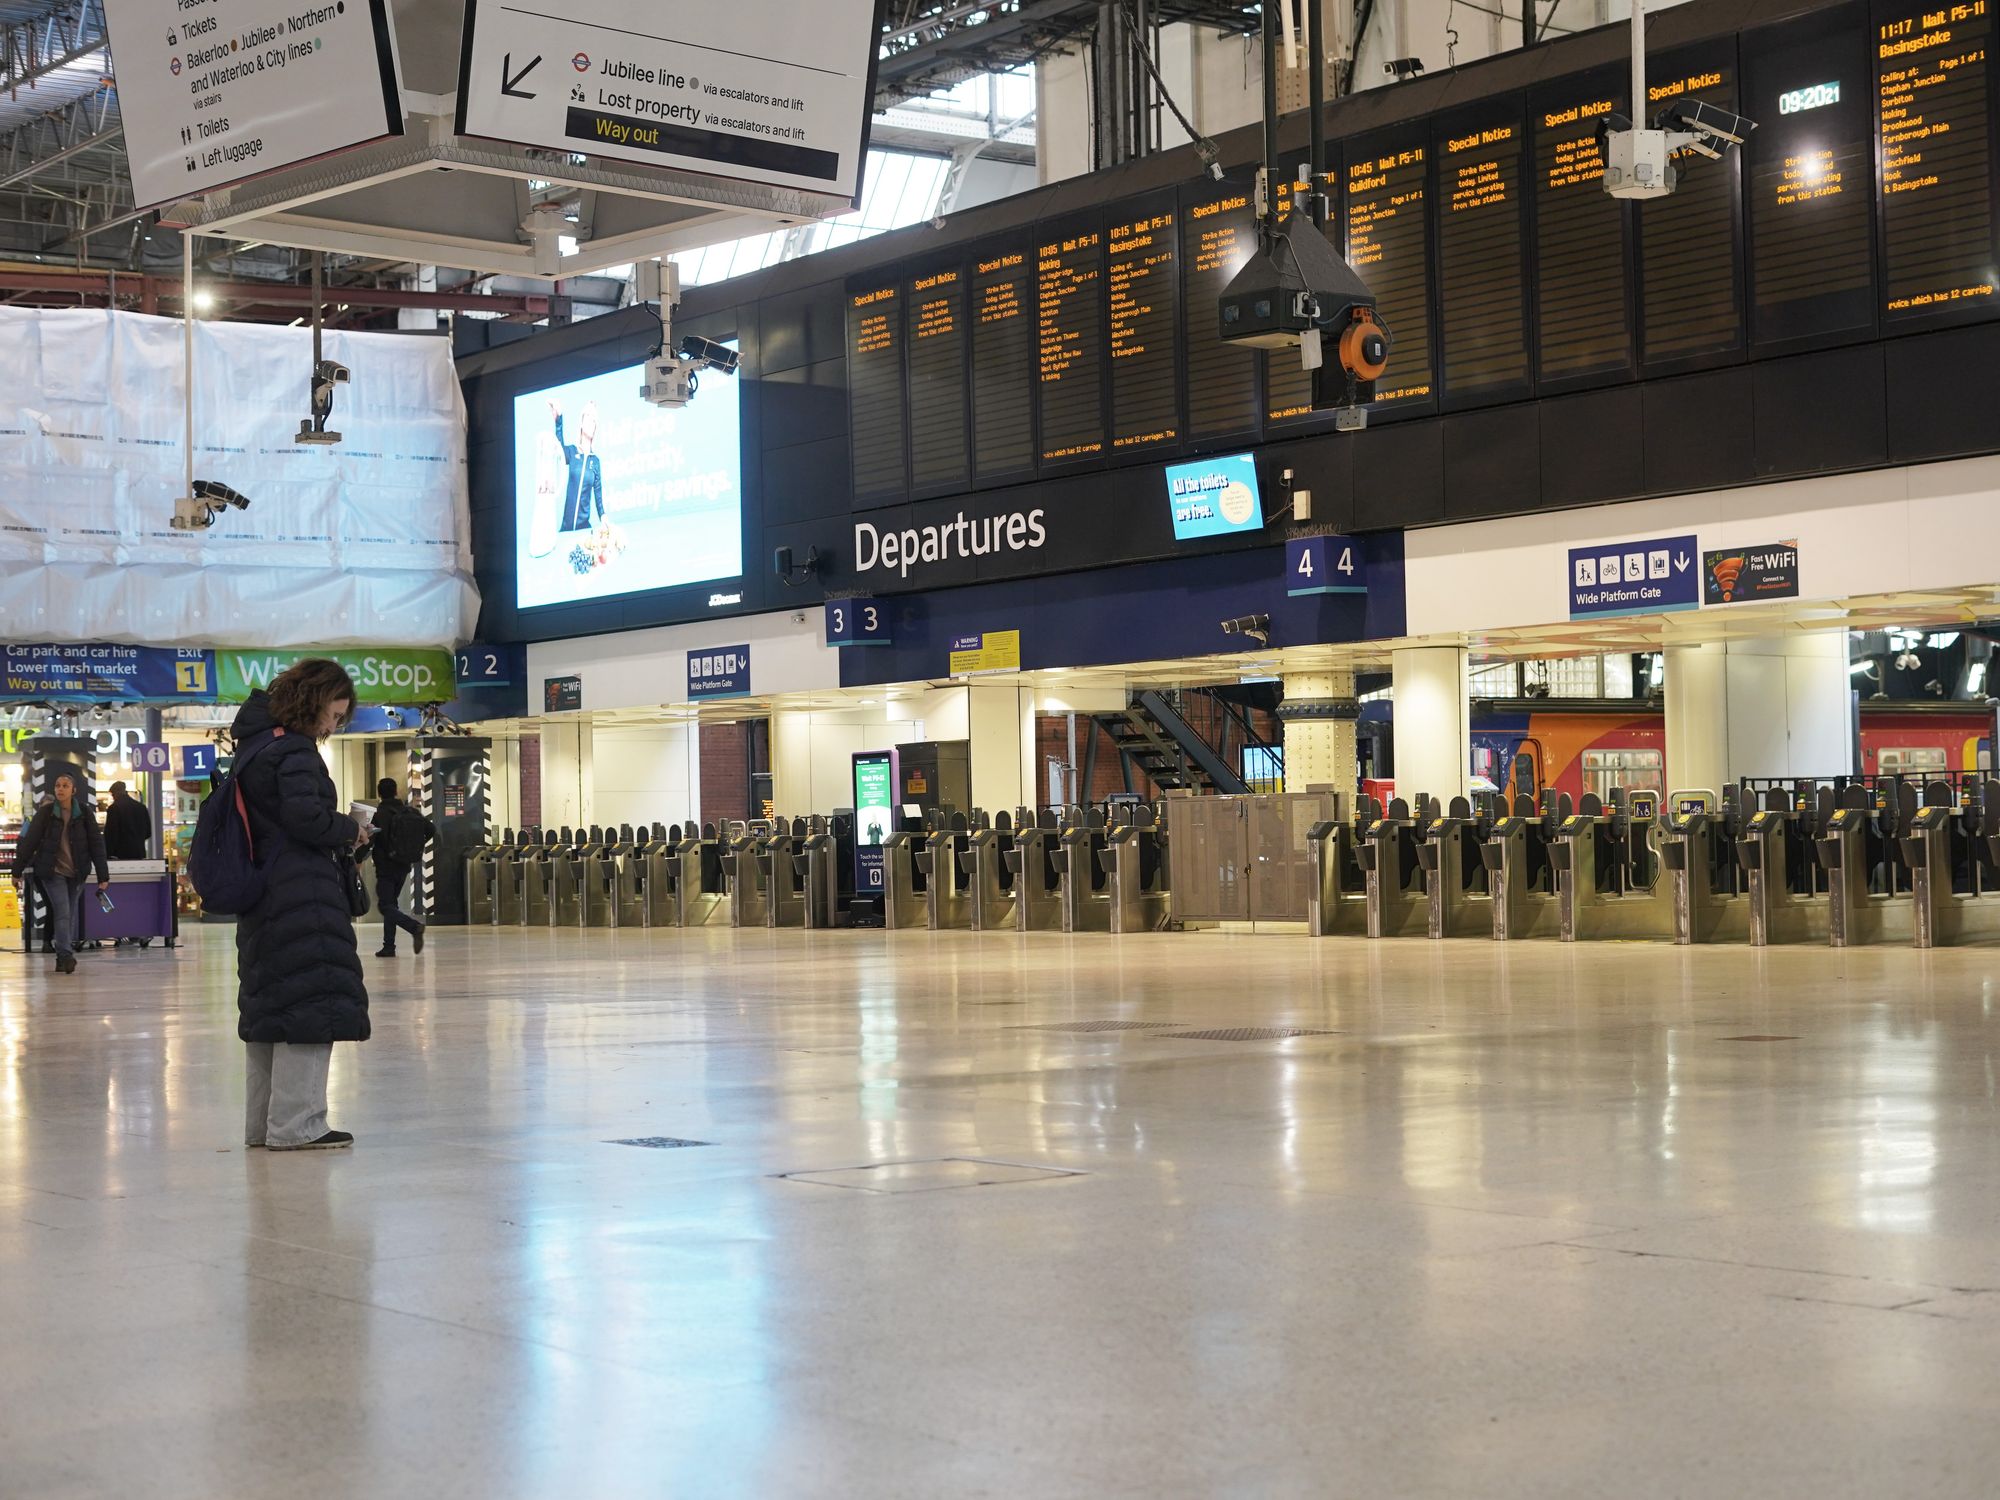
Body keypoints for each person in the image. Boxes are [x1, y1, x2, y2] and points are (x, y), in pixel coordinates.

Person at [232, 659, 369, 1151]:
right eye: (332, 714)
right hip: (302, 894)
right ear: (312, 702)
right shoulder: (294, 750)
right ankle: (298, 1126)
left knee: (271, 1015)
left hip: (266, 896)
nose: (333, 725)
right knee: (315, 1005)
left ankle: (263, 1125)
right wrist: (350, 829)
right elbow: (305, 817)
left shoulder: (256, 745)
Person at [12, 772, 109, 975]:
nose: (60, 789)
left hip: (76, 872)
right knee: (63, 912)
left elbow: (96, 844)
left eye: (65, 785)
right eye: (57, 785)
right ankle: (65, 954)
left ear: (73, 790)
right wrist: (17, 870)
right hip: (52, 871)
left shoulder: (83, 813)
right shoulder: (46, 813)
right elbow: (30, 842)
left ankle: (60, 958)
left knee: (69, 913)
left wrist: (103, 876)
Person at [367, 776, 426, 959]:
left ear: (379, 793)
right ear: (396, 791)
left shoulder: (380, 815)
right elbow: (430, 830)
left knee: (386, 906)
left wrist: (358, 857)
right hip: (403, 865)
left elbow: (371, 841)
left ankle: (413, 927)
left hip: (385, 867)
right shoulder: (409, 811)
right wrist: (415, 846)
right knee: (391, 904)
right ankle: (389, 946)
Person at [549, 395, 604, 533]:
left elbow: (598, 494)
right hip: (566, 530)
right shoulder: (572, 452)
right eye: (588, 419)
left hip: (584, 530)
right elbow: (559, 450)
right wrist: (558, 421)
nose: (591, 423)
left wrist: (604, 517)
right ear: (581, 422)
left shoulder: (595, 461)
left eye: (594, 421)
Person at [103, 780, 151, 861]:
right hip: (139, 853)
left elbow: (110, 834)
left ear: (116, 793)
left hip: (120, 855)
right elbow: (148, 832)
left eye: (113, 794)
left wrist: (109, 853)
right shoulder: (141, 807)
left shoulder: (114, 808)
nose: (113, 797)